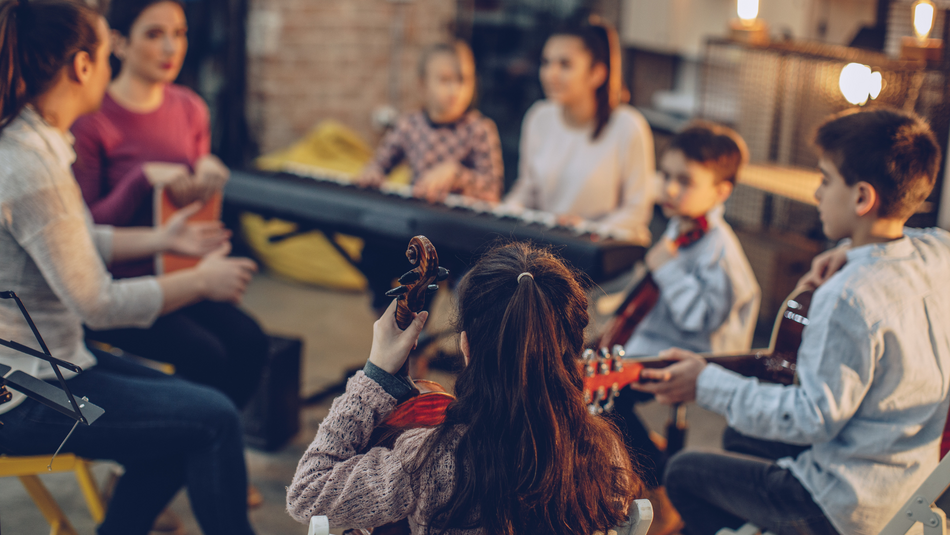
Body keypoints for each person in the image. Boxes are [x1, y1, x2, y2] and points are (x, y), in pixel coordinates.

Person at [0, 1, 258, 534]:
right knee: (213, 420)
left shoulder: (27, 142)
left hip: (45, 363)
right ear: (81, 66)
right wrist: (200, 279)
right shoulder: (34, 165)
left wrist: (162, 237)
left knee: (190, 419)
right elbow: (99, 303)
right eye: (103, 49)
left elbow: (68, 238)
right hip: (28, 391)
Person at [637, 108, 950, 535]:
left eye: (824, 180)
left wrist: (705, 382)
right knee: (739, 440)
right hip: (904, 483)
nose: (817, 194)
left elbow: (810, 418)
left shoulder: (848, 296)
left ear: (861, 198)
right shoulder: (935, 259)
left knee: (683, 473)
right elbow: (928, 239)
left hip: (840, 507)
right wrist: (857, 248)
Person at [287, 242, 641, 534]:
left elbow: (307, 494)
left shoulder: (427, 460)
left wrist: (376, 374)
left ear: (466, 346)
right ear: (574, 353)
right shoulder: (604, 456)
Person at [71, 0, 267, 411]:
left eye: (179, 34)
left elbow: (193, 196)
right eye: (154, 34)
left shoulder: (191, 108)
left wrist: (209, 166)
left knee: (251, 342)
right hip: (120, 288)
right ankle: (181, 451)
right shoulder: (92, 118)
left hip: (184, 273)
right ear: (120, 44)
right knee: (205, 355)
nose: (170, 48)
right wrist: (141, 179)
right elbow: (85, 230)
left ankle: (200, 452)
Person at [607, 122, 759, 535]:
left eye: (685, 181)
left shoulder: (720, 251)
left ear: (721, 191)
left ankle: (658, 482)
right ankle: (646, 464)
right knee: (586, 372)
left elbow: (699, 318)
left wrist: (666, 268)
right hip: (659, 344)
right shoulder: (681, 227)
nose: (670, 189)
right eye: (667, 176)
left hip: (696, 357)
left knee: (605, 396)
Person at [356, 40, 504, 313]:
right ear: (423, 85)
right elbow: (379, 164)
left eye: (463, 80)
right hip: (416, 228)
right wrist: (373, 172)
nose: (455, 90)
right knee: (373, 251)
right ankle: (391, 313)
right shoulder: (409, 125)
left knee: (469, 286)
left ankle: (442, 333)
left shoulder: (480, 129)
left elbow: (492, 190)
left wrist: (457, 173)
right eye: (445, 80)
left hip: (459, 234)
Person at [503, 17, 654, 245]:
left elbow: (636, 212)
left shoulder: (629, 126)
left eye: (565, 65)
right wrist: (505, 212)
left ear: (597, 74)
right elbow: (527, 189)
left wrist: (584, 230)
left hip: (603, 252)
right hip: (547, 247)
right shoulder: (538, 117)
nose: (550, 74)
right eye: (545, 63)